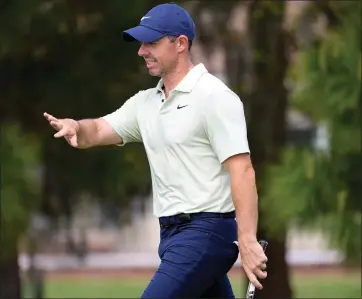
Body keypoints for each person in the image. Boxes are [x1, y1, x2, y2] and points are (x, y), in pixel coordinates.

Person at [43, 2, 268, 298]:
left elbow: (242, 169)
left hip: (206, 232)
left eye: (151, 42)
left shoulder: (214, 97)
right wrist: (76, 126)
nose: (141, 51)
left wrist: (248, 239)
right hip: (172, 235)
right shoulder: (145, 103)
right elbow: (96, 130)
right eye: (140, 44)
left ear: (180, 44)